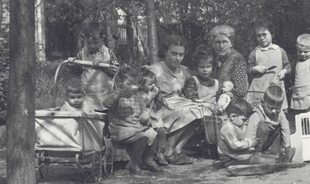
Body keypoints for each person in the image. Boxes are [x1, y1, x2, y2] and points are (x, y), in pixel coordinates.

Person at [149, 36, 211, 165]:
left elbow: (192, 88)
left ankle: (178, 149)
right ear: (165, 52)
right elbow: (144, 92)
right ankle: (168, 150)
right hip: (160, 107)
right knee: (188, 111)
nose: (177, 58)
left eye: (181, 55)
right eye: (174, 54)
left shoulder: (184, 70)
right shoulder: (155, 70)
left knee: (202, 110)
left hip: (179, 104)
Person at [102, 65, 161, 174]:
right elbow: (107, 103)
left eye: (135, 84)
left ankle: (149, 159)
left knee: (153, 134)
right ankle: (135, 163)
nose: (132, 87)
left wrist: (145, 115)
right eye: (129, 84)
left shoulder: (138, 96)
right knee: (142, 138)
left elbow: (143, 108)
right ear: (120, 84)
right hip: (121, 128)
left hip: (136, 126)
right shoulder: (117, 96)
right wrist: (118, 95)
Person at [217, 98, 281, 167]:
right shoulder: (227, 128)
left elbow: (241, 140)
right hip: (231, 159)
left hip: (236, 156)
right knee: (256, 159)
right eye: (243, 120)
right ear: (233, 116)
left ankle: (277, 159)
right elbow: (235, 145)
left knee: (257, 155)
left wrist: (250, 142)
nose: (246, 122)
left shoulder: (235, 126)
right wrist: (250, 143)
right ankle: (277, 162)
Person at [245, 19, 290, 110]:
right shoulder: (254, 52)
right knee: (258, 112)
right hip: (259, 89)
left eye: (264, 34)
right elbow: (248, 69)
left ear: (272, 34)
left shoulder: (280, 51)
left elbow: (288, 66)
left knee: (276, 112)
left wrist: (284, 71)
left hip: (275, 87)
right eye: (258, 36)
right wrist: (254, 69)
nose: (262, 38)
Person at [76, 22, 119, 111]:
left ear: (102, 38)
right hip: (88, 96)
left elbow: (116, 71)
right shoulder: (83, 53)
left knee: (106, 117)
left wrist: (103, 65)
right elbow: (77, 70)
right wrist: (72, 64)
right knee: (88, 117)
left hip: (105, 94)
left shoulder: (108, 53)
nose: (92, 46)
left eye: (96, 43)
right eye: (89, 43)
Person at [245, 84, 294, 161]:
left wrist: (287, 146)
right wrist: (250, 148)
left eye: (277, 108)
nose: (274, 111)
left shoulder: (280, 114)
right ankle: (257, 154)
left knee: (282, 127)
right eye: (270, 108)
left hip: (271, 141)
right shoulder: (257, 114)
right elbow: (250, 132)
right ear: (262, 102)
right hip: (257, 143)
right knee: (263, 127)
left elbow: (285, 129)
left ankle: (273, 154)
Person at [209, 24, 248, 99]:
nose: (221, 46)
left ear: (231, 43)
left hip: (232, 102)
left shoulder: (237, 59)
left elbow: (241, 90)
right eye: (218, 42)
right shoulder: (218, 58)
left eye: (225, 42)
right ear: (213, 44)